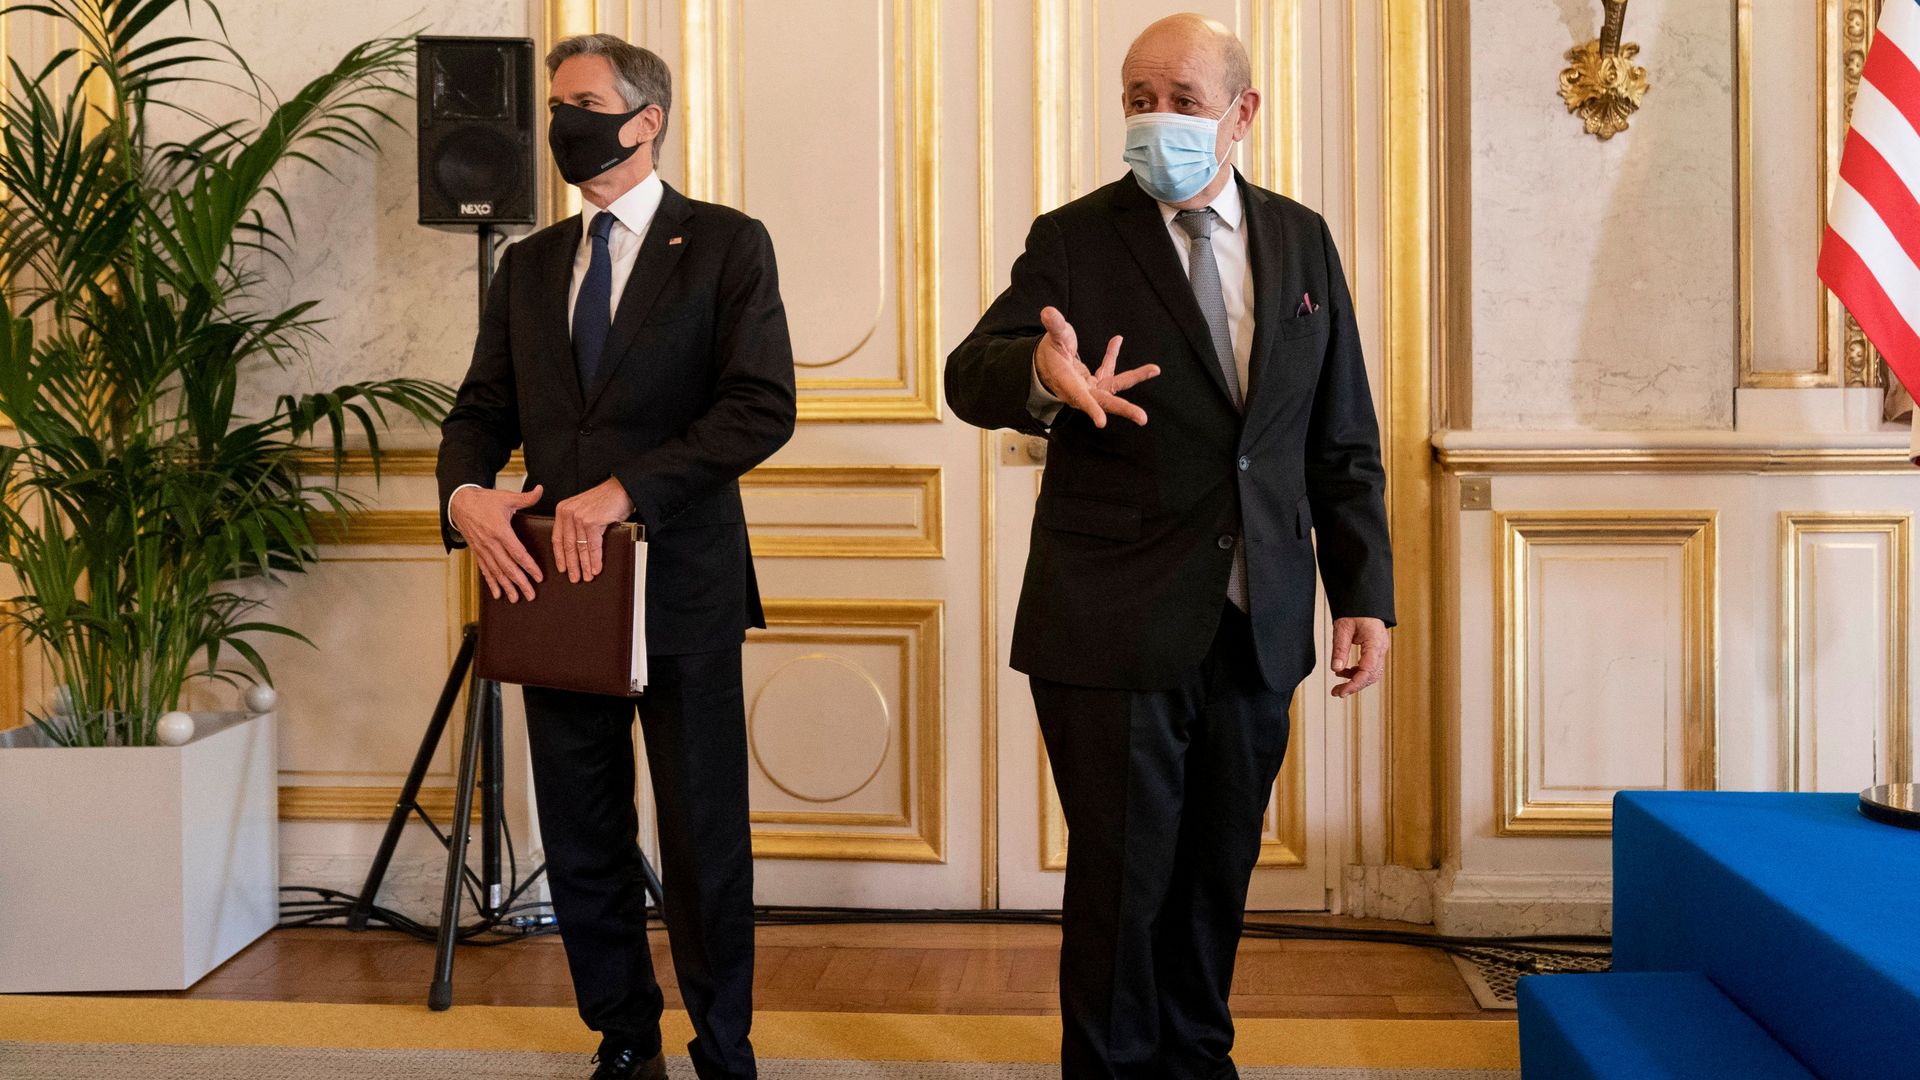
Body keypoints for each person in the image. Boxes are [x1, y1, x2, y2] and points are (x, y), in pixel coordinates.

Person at [946, 13, 1395, 1079]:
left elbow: (1341, 435)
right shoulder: (1075, 237)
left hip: (1257, 619)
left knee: (1215, 871)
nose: (1156, 122)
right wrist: (1044, 380)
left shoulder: (1302, 240)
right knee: (1122, 876)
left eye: (1182, 103)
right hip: (1109, 617)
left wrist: (1361, 594)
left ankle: (1198, 1060)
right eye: (1138, 100)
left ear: (1241, 115)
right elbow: (974, 370)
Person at [435, 33, 795, 1080]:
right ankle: (624, 1035)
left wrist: (626, 491)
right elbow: (480, 410)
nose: (560, 123)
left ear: (648, 120)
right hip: (552, 590)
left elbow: (759, 408)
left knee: (702, 841)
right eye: (555, 104)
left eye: (583, 102)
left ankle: (724, 1044)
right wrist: (467, 498)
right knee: (584, 834)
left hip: (679, 583)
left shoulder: (727, 244)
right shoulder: (530, 262)